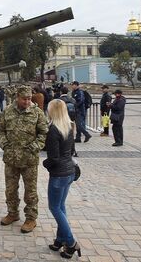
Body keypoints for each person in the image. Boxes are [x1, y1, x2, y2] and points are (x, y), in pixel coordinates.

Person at [0, 85, 48, 233]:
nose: (27, 102)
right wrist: (4, 144)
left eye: (29, 98)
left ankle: (31, 218)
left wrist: (36, 146)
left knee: (30, 191)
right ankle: (12, 213)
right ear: (17, 98)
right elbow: (0, 129)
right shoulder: (7, 111)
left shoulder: (37, 112)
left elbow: (43, 133)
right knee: (10, 189)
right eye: (24, 99)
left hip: (29, 159)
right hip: (11, 158)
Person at [43, 99, 81, 259]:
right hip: (69, 172)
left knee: (55, 208)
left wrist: (45, 163)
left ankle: (71, 242)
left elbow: (53, 158)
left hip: (59, 174)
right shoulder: (70, 125)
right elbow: (71, 151)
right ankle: (60, 240)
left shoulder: (53, 129)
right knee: (61, 206)